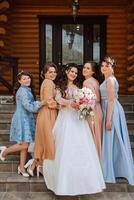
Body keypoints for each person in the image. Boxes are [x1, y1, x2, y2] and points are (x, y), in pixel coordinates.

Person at [43, 63, 106, 196]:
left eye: (76, 73)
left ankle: (82, 183)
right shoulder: (60, 86)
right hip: (65, 118)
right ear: (66, 72)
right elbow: (58, 99)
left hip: (78, 120)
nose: (74, 74)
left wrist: (83, 104)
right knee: (64, 147)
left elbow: (82, 101)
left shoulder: (78, 87)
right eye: (72, 71)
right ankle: (63, 183)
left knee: (81, 148)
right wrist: (70, 103)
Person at [0, 71, 44, 177]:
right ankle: (5, 151)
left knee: (24, 145)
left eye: (28, 78)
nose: (27, 80)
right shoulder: (23, 91)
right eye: (24, 79)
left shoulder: (26, 90)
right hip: (22, 119)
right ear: (19, 81)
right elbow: (29, 107)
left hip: (26, 118)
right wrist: (41, 103)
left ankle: (21, 167)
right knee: (25, 144)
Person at [100, 55, 134, 185]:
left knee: (111, 138)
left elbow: (110, 100)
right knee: (112, 140)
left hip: (111, 110)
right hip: (108, 108)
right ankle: (113, 168)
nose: (104, 68)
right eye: (102, 66)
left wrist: (108, 120)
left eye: (107, 66)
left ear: (112, 68)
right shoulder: (107, 79)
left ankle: (111, 171)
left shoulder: (110, 80)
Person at [24, 63, 58, 176]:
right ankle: (37, 164)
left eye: (54, 72)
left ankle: (36, 165)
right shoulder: (48, 82)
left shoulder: (47, 82)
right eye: (50, 72)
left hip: (46, 113)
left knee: (44, 141)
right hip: (47, 113)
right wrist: (60, 105)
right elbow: (48, 101)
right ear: (44, 73)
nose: (53, 74)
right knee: (48, 141)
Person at [82, 61, 103, 160]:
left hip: (92, 110)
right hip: (98, 109)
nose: (85, 70)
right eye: (84, 67)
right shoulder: (95, 81)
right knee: (97, 136)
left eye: (88, 68)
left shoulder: (86, 82)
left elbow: (91, 99)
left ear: (93, 72)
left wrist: (84, 112)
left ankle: (94, 162)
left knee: (92, 136)